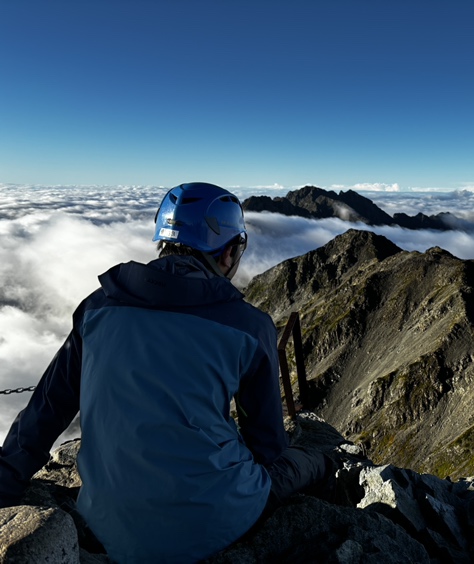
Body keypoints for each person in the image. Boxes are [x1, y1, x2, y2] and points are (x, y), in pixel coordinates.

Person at [0, 182, 332, 563]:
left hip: (106, 521)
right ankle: (334, 469)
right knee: (314, 460)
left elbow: (48, 408)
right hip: (216, 523)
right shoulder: (249, 328)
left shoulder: (96, 308)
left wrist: (6, 486)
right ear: (228, 252)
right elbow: (269, 447)